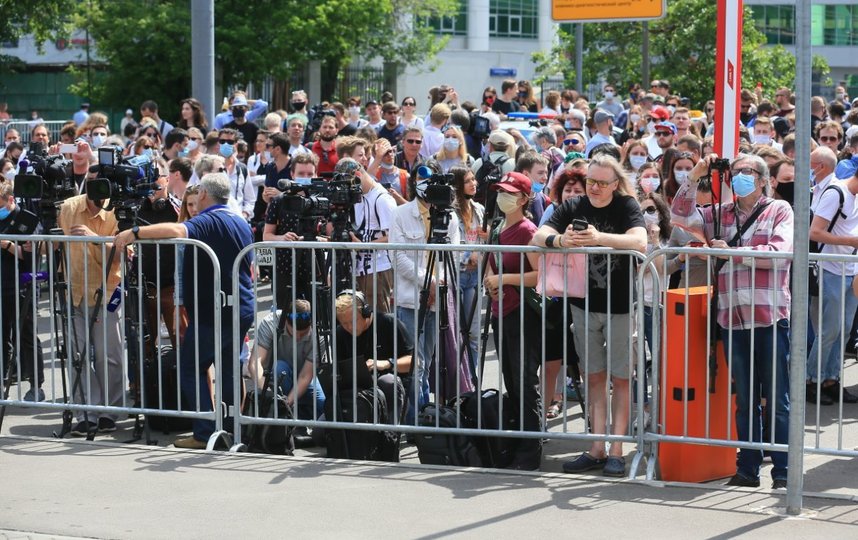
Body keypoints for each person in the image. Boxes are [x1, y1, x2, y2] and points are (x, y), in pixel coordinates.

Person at [671, 153, 793, 489]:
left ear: (762, 179)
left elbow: (779, 253)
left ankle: (783, 472)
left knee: (778, 400)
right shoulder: (719, 213)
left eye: (747, 171)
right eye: (735, 172)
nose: (739, 176)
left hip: (769, 317)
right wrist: (695, 175)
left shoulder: (779, 210)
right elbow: (679, 214)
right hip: (733, 318)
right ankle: (747, 469)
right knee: (745, 401)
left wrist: (731, 253)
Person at [114, 172, 255, 449]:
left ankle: (205, 432)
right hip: (238, 305)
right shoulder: (240, 221)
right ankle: (229, 431)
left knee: (191, 366)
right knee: (228, 370)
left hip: (214, 309)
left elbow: (178, 230)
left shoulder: (209, 219)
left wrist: (134, 233)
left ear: (204, 194)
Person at [533, 154, 646, 478]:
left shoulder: (626, 205)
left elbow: (640, 241)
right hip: (582, 303)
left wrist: (599, 239)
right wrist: (560, 240)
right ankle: (597, 447)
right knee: (594, 376)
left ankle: (616, 450)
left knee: (621, 378)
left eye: (601, 183)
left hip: (620, 305)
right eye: (590, 181)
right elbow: (539, 235)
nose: (594, 188)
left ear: (615, 184)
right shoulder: (574, 205)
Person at [389, 162, 460, 422]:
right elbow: (398, 257)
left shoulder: (450, 217)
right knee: (413, 364)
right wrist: (426, 281)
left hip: (437, 299)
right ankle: (413, 421)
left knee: (426, 363)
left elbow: (453, 256)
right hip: (410, 300)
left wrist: (437, 284)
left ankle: (423, 415)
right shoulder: (400, 214)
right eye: (422, 179)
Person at [483, 172, 542, 469]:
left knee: (524, 380)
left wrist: (504, 279)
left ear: (523, 199)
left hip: (523, 311)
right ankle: (518, 440)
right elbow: (491, 264)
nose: (502, 197)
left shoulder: (528, 230)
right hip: (501, 311)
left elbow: (539, 275)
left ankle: (531, 448)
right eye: (500, 191)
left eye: (509, 193)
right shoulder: (497, 228)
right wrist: (490, 283)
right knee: (511, 379)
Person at [58, 192, 124, 435]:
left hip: (107, 294)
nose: (97, 184)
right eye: (92, 178)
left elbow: (121, 256)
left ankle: (109, 412)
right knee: (78, 357)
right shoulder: (69, 207)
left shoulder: (118, 209)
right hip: (73, 292)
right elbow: (53, 244)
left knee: (109, 356)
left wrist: (96, 239)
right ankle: (87, 413)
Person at [807, 156, 858, 405]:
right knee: (829, 331)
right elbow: (814, 232)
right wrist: (850, 242)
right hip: (831, 269)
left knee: (845, 330)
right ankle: (811, 380)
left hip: (852, 269)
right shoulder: (835, 193)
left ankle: (831, 379)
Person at [333, 290, 414, 420]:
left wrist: (387, 364)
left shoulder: (389, 323)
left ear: (366, 312)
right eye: (344, 323)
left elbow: (414, 362)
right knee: (319, 429)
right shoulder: (340, 333)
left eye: (353, 321)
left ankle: (390, 431)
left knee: (388, 381)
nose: (349, 327)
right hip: (357, 394)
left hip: (389, 391)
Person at [0, 182, 45, 402]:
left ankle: (36, 386)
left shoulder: (27, 219)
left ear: (10, 200)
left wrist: (7, 245)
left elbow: (30, 257)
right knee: (2, 338)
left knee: (27, 336)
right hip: (2, 286)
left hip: (22, 286)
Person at [249, 300, 326, 424]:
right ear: (285, 322)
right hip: (276, 375)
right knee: (279, 368)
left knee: (323, 404)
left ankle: (296, 417)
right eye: (293, 333)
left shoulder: (318, 334)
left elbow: (305, 376)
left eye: (303, 334)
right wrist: (266, 392)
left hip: (304, 376)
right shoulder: (271, 322)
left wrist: (286, 403)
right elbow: (254, 363)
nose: (298, 338)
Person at [451, 166, 485, 375]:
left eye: (474, 179)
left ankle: (473, 380)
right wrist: (468, 256)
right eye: (467, 181)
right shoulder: (450, 211)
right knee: (455, 333)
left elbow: (482, 241)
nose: (473, 183)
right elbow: (450, 243)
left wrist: (480, 251)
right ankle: (458, 381)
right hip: (456, 274)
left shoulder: (479, 209)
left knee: (473, 333)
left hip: (475, 276)